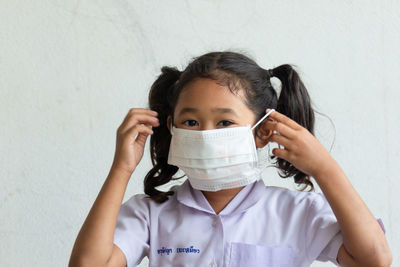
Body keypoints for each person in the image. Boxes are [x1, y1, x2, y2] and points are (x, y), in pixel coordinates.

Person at [68, 51, 392, 267]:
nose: (206, 134)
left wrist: (324, 168)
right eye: (191, 122)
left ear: (262, 131)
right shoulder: (150, 214)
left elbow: (374, 259)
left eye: (224, 122)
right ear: (172, 128)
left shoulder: (298, 214)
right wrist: (122, 168)